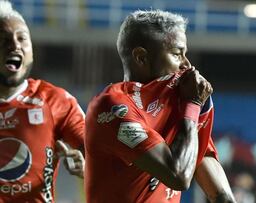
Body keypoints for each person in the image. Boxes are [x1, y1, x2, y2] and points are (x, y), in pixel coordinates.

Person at [85, 9, 236, 203]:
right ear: (141, 57)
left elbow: (221, 195)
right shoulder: (112, 107)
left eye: (185, 54)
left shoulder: (178, 108)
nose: (187, 65)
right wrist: (192, 105)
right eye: (176, 54)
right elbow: (178, 176)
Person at [0, 1, 85, 202]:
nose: (15, 45)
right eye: (3, 40)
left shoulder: (56, 101)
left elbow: (95, 150)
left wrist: (87, 166)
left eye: (22, 38)